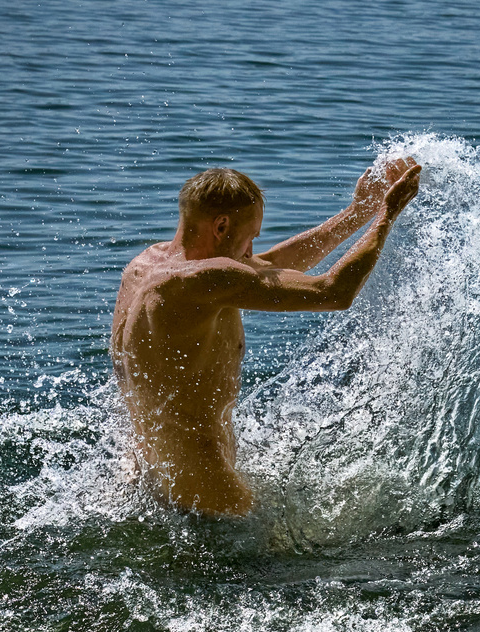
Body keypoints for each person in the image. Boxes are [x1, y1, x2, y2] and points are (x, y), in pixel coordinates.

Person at [110, 157, 423, 517]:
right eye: (251, 237)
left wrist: (357, 212)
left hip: (150, 479)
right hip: (212, 496)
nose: (252, 252)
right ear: (222, 226)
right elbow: (334, 291)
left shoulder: (145, 268)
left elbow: (274, 266)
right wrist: (387, 214)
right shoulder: (206, 278)